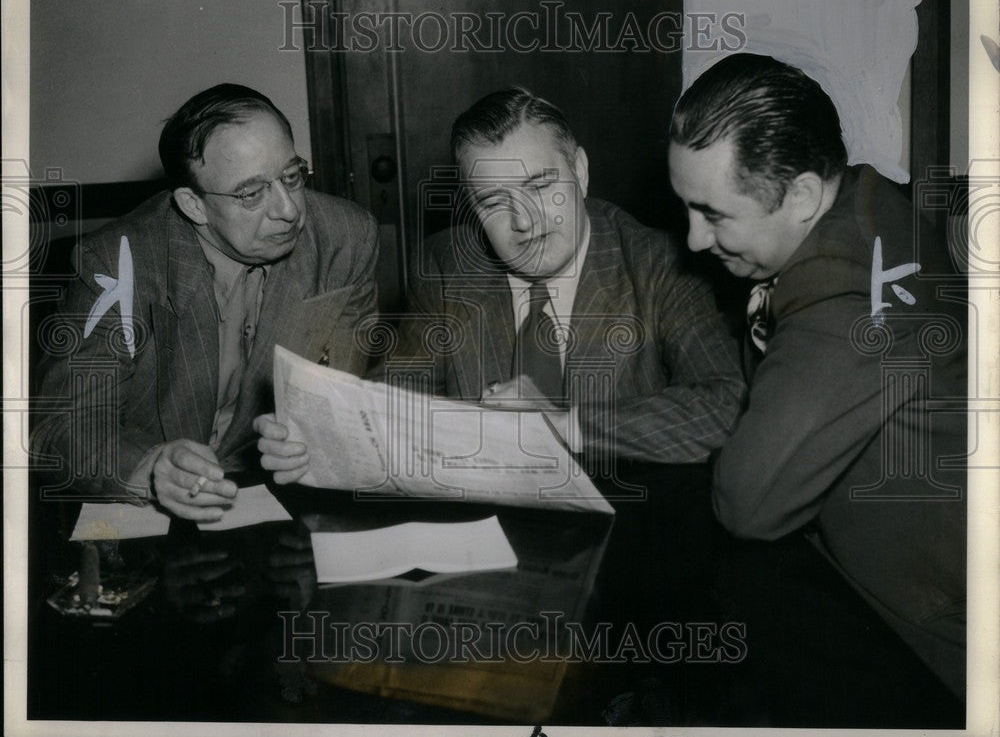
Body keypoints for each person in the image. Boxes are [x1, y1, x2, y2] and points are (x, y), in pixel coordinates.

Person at [668, 53, 966, 699]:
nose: (693, 239)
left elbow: (748, 506)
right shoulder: (866, 195)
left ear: (801, 193)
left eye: (714, 213)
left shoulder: (844, 304)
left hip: (924, 634)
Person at [257, 87, 745, 482]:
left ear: (579, 170)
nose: (526, 223)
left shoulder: (661, 263)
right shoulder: (446, 265)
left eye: (539, 187)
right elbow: (395, 402)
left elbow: (726, 407)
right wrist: (320, 437)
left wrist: (562, 425)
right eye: (493, 203)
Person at [33, 84, 378, 522]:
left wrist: (323, 434)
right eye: (251, 193)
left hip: (282, 503)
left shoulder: (346, 238)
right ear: (193, 204)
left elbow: (346, 394)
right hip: (150, 511)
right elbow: (62, 425)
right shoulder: (120, 262)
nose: (289, 210)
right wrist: (151, 468)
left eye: (292, 177)